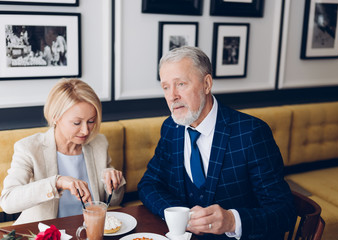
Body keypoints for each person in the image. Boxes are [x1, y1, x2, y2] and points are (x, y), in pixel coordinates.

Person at [138, 46, 296, 239]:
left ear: (206, 84)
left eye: (181, 84)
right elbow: (149, 184)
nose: (172, 96)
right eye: (165, 87)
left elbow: (284, 212)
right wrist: (180, 215)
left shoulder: (251, 133)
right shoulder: (171, 128)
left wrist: (232, 220)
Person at [0, 78, 126, 225]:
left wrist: (113, 183)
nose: (86, 130)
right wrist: (57, 182)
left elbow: (116, 200)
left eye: (91, 121)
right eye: (77, 123)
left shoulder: (98, 143)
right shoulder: (29, 148)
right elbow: (8, 201)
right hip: (47, 232)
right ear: (55, 117)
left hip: (87, 229)